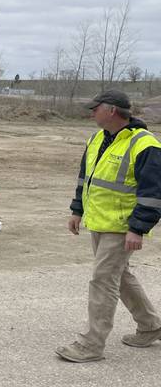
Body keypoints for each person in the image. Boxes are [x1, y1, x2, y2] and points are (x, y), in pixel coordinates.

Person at [56, 90, 161, 363]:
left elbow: (153, 193)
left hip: (122, 225)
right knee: (120, 275)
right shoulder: (96, 139)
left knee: (102, 280)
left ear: (112, 110)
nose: (91, 113)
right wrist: (76, 210)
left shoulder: (144, 144)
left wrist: (137, 228)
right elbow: (85, 179)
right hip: (99, 221)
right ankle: (151, 325)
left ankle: (91, 345)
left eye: (95, 108)